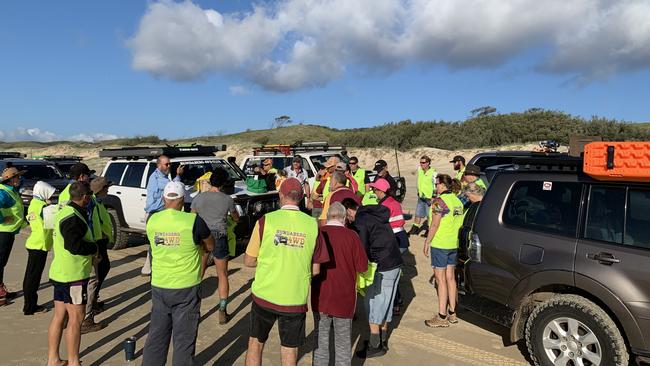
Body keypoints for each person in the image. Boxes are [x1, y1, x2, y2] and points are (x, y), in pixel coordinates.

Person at [244, 178, 329, 366]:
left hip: (264, 295)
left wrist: (270, 262)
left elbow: (249, 260)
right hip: (294, 299)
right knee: (289, 351)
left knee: (255, 344)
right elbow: (315, 269)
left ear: (281, 196)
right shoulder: (312, 225)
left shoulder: (266, 221)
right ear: (300, 198)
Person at [142, 181, 214, 366]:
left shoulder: (153, 220)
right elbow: (210, 245)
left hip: (159, 285)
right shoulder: (193, 221)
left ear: (164, 199)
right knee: (183, 339)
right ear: (182, 199)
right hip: (186, 286)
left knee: (157, 336)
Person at [341, 197, 403, 358]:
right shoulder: (373, 213)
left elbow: (361, 250)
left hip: (382, 267)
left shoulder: (361, 221)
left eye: (346, 216)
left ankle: (375, 345)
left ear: (349, 211)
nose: (347, 220)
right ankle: (382, 340)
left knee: (373, 303)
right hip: (394, 263)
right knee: (386, 304)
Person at [47, 181, 98, 366]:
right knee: (76, 318)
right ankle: (74, 362)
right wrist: (94, 248)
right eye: (89, 196)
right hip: (73, 276)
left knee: (60, 316)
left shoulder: (65, 211)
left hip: (61, 272)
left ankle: (53, 359)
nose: (90, 199)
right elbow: (74, 245)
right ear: (84, 197)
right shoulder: (72, 217)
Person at [311, 202, 368, 366]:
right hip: (344, 299)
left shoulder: (318, 233)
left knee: (320, 343)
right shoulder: (352, 237)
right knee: (343, 345)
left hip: (320, 296)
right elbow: (363, 267)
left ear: (328, 217)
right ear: (344, 219)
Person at [191, 167, 239, 325]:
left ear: (211, 181)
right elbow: (235, 217)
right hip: (220, 236)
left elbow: (192, 218)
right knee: (222, 275)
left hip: (202, 237)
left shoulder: (199, 198)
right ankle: (222, 309)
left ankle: (194, 310)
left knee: (199, 274)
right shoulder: (227, 199)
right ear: (224, 182)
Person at [423, 174, 464, 328]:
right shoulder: (457, 201)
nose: (435, 186)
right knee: (451, 278)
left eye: (436, 183)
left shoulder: (439, 202)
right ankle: (452, 313)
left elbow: (434, 225)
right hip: (453, 244)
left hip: (440, 244)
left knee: (441, 280)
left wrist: (427, 242)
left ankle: (442, 316)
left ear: (442, 185)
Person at [370, 178, 410, 316]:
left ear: (381, 191)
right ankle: (397, 302)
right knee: (393, 273)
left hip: (394, 240)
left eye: (375, 189)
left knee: (389, 274)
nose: (373, 192)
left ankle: (395, 303)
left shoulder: (385, 205)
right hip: (401, 239)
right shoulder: (393, 202)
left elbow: (384, 226)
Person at [142, 155, 184, 276]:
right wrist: (178, 176)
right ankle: (154, 270)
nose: (169, 166)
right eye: (166, 164)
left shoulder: (164, 177)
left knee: (158, 243)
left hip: (160, 214)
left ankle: (148, 269)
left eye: (169, 164)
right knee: (159, 243)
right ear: (159, 165)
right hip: (155, 214)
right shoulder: (156, 178)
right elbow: (170, 187)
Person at [82, 177, 114, 333]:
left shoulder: (97, 202)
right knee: (93, 279)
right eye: (106, 188)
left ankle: (92, 301)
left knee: (103, 270)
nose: (108, 190)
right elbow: (92, 223)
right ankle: (87, 316)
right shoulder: (92, 203)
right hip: (96, 243)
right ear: (100, 189)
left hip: (100, 241)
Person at [22, 181, 56, 315]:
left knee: (30, 276)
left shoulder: (33, 204)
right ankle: (30, 306)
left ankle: (29, 304)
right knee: (33, 278)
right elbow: (51, 224)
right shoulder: (43, 207)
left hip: (33, 242)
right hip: (39, 245)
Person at [0, 166, 27, 305]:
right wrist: (2, 219)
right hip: (3, 231)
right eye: (17, 177)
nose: (19, 179)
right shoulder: (4, 192)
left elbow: (22, 181)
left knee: (2, 262)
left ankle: (1, 289)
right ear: (10, 180)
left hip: (9, 231)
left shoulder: (12, 190)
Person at [458, 182, 486, 267]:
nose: (468, 199)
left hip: (474, 247)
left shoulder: (476, 207)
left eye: (468, 196)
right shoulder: (487, 204)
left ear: (472, 194)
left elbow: (469, 228)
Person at [409, 155, 436, 236]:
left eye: (423, 162)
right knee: (418, 213)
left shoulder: (433, 172)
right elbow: (413, 172)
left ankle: (428, 230)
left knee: (429, 215)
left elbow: (435, 185)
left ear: (428, 163)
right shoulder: (420, 169)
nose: (421, 164)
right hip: (421, 196)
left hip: (429, 197)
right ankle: (415, 229)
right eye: (420, 162)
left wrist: (433, 196)